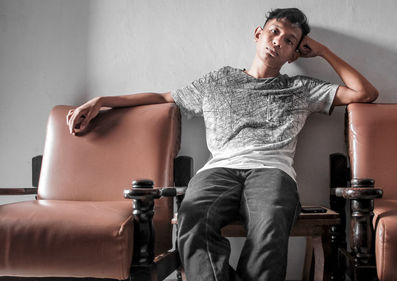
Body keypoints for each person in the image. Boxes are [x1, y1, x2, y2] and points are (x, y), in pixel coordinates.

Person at [66, 8, 378, 281]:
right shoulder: (218, 81)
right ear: (258, 34)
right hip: (219, 170)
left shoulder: (301, 88)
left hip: (272, 171)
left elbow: (365, 93)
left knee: (270, 228)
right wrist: (102, 100)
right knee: (192, 221)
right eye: (274, 32)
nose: (278, 42)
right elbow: (163, 98)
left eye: (289, 41)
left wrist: (323, 51)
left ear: (295, 53)